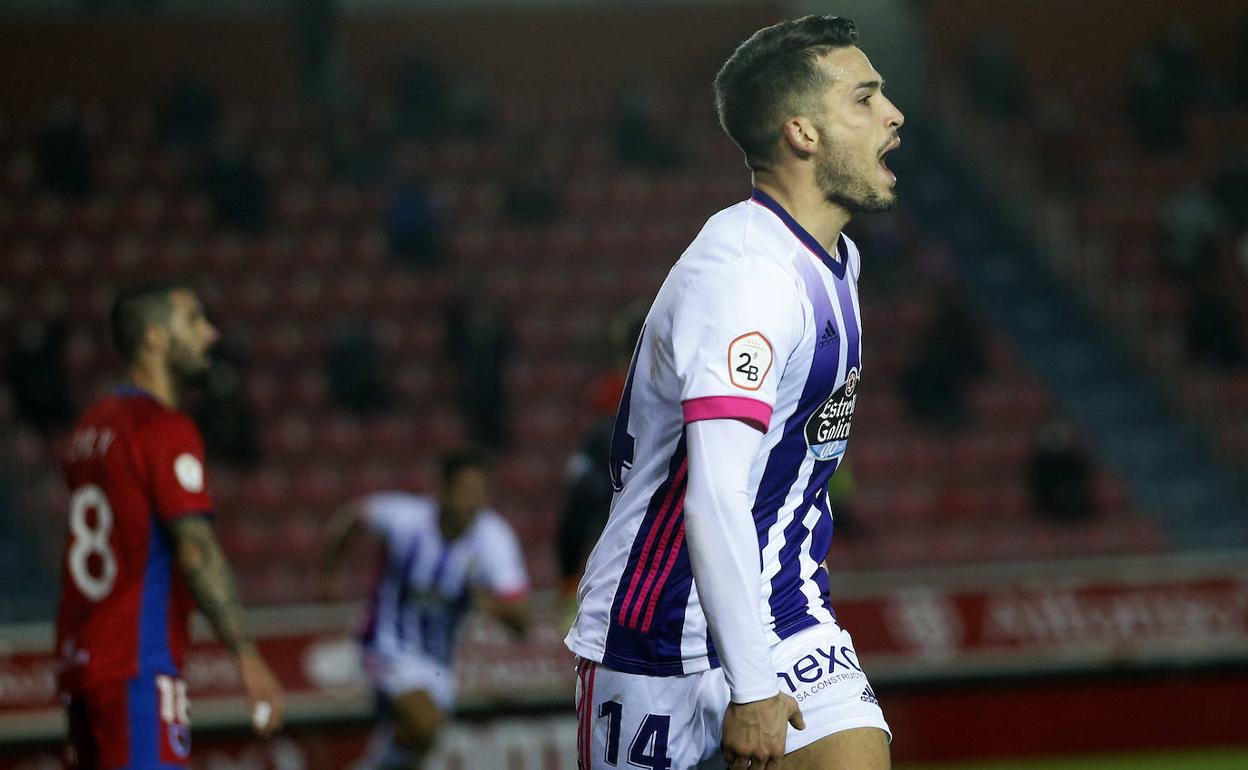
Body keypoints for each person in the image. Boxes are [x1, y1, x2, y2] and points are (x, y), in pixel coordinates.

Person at [565, 15, 900, 770]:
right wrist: (751, 689)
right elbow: (711, 497)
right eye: (865, 98)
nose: (893, 113)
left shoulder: (832, 260)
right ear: (802, 133)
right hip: (658, 633)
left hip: (783, 607)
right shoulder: (746, 282)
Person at [55, 282, 284, 770]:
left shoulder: (88, 429)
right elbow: (195, 549)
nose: (211, 333)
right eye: (195, 320)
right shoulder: (164, 428)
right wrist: (247, 655)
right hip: (138, 663)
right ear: (155, 338)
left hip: (80, 665)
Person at [321, 449, 530, 770]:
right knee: (425, 724)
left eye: (481, 493)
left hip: (438, 662)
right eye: (466, 491)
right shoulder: (407, 519)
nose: (473, 502)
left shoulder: (493, 538)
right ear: (444, 491)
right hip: (384, 643)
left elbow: (521, 620)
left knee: (419, 747)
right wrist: (329, 575)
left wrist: (486, 600)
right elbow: (354, 516)